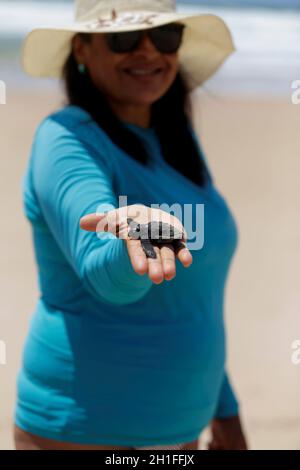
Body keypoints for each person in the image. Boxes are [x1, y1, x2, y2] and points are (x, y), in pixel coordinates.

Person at [14, 0, 248, 450]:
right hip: (85, 431)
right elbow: (103, 272)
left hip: (184, 432)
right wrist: (132, 244)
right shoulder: (66, 138)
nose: (147, 52)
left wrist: (226, 410)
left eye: (164, 36)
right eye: (123, 39)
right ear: (81, 49)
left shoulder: (175, 142)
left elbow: (193, 298)